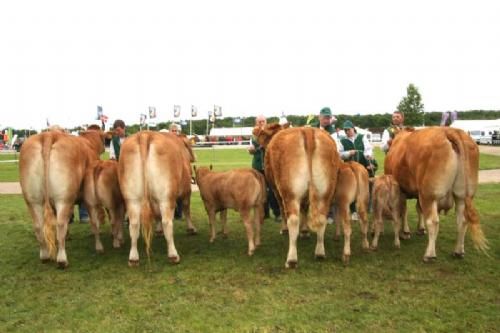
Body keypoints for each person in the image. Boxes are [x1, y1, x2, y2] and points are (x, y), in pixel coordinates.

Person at [338, 120, 377, 220]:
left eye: (349, 129)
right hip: (349, 169)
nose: (347, 132)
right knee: (350, 189)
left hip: (363, 166)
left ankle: (366, 207)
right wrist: (348, 153)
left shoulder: (362, 137)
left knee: (366, 187)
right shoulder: (342, 141)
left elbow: (368, 150)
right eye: (345, 130)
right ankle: (353, 211)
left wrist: (369, 158)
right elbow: (339, 154)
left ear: (353, 128)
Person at [248, 115, 281, 221]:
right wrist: (251, 150)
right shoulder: (253, 135)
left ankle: (277, 213)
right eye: (259, 121)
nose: (261, 123)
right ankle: (264, 213)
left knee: (273, 190)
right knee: (260, 191)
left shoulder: (272, 133)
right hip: (257, 165)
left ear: (266, 122)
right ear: (256, 123)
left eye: (263, 121)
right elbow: (251, 148)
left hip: (270, 166)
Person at [169, 123, 183, 219]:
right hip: (169, 169)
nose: (174, 132)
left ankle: (179, 212)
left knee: (180, 191)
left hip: (180, 168)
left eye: (175, 131)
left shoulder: (180, 141)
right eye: (172, 130)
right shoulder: (165, 141)